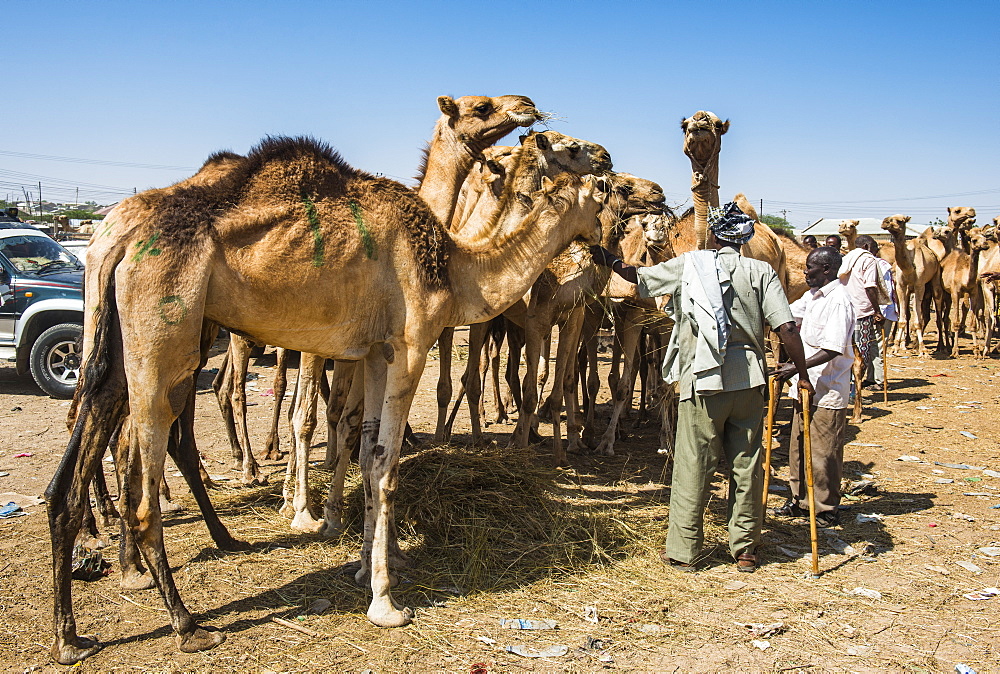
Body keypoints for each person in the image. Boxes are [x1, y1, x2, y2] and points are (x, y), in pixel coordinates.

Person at [591, 202, 812, 572]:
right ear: (745, 240)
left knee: (693, 465)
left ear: (712, 235)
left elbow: (635, 276)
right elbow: (786, 328)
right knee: (747, 466)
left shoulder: (691, 264)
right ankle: (745, 549)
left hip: (703, 380)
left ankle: (684, 551)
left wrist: (606, 258)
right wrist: (802, 373)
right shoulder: (761, 272)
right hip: (749, 382)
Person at [772, 247, 855, 527]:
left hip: (827, 387)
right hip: (803, 386)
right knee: (797, 447)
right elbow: (787, 318)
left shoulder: (839, 301)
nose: (805, 272)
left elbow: (832, 347)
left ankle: (824, 509)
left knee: (823, 452)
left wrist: (795, 367)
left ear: (827, 270)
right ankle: (798, 500)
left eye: (810, 268)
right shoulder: (812, 296)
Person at [838, 234, 884, 380]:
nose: (876, 252)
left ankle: (847, 387)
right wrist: (877, 311)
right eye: (874, 248)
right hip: (862, 311)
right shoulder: (868, 259)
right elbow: (870, 286)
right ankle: (854, 391)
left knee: (845, 352)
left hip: (844, 310)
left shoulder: (846, 259)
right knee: (861, 353)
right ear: (866, 246)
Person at [856, 235, 898, 388]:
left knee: (879, 345)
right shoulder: (863, 262)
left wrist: (879, 311)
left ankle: (879, 380)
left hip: (882, 310)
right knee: (871, 345)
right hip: (871, 310)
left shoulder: (880, 264)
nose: (876, 250)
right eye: (874, 247)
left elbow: (884, 290)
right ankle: (872, 378)